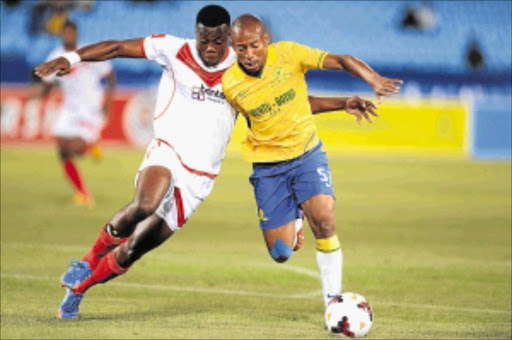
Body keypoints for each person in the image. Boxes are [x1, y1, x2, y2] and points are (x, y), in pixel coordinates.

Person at [34, 5, 379, 319]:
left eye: (218, 40)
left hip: (200, 177)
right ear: (195, 35)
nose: (211, 47)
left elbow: (293, 103)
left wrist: (341, 103)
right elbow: (117, 47)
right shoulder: (173, 49)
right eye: (204, 40)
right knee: (146, 202)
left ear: (228, 38)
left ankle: (80, 289)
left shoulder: (241, 69)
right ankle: (86, 260)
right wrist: (74, 58)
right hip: (167, 151)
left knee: (135, 249)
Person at [222, 14, 402, 311]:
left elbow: (342, 61)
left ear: (266, 40)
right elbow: (263, 118)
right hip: (268, 168)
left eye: (254, 45)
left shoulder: (290, 54)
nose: (249, 54)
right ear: (234, 47)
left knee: (325, 221)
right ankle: (293, 215)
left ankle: (333, 302)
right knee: (280, 253)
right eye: (241, 48)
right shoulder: (231, 84)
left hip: (306, 153)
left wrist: (373, 81)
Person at [34, 20, 116, 207]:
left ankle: (92, 144)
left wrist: (107, 103)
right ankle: (82, 193)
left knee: (76, 148)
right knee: (62, 149)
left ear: (76, 34)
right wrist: (38, 96)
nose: (69, 36)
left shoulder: (87, 52)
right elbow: (47, 84)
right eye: (66, 33)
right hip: (69, 108)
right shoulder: (55, 56)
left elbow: (110, 75)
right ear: (62, 34)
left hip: (90, 108)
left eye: (72, 33)